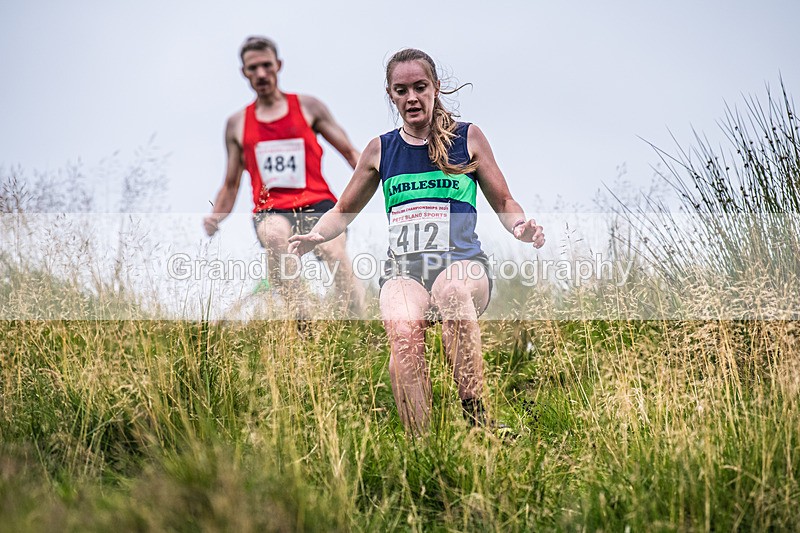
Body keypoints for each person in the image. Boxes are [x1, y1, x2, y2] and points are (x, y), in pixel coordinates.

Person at [288, 48, 545, 434]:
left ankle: (478, 421)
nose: (411, 98)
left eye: (420, 87)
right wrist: (316, 234)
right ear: (390, 94)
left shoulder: (467, 138)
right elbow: (342, 208)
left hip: (463, 265)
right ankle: (423, 446)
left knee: (453, 292)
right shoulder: (381, 150)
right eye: (401, 89)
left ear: (435, 88)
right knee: (404, 331)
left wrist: (520, 226)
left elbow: (504, 201)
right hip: (404, 272)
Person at [204, 36, 365, 315]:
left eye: (266, 65)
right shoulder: (237, 124)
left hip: (318, 202)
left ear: (278, 65)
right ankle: (303, 319)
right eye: (253, 68)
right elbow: (231, 184)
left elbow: (351, 154)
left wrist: (386, 180)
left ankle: (359, 321)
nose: (261, 74)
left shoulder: (308, 107)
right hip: (271, 208)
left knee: (333, 252)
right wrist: (216, 217)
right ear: (244, 72)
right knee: (275, 236)